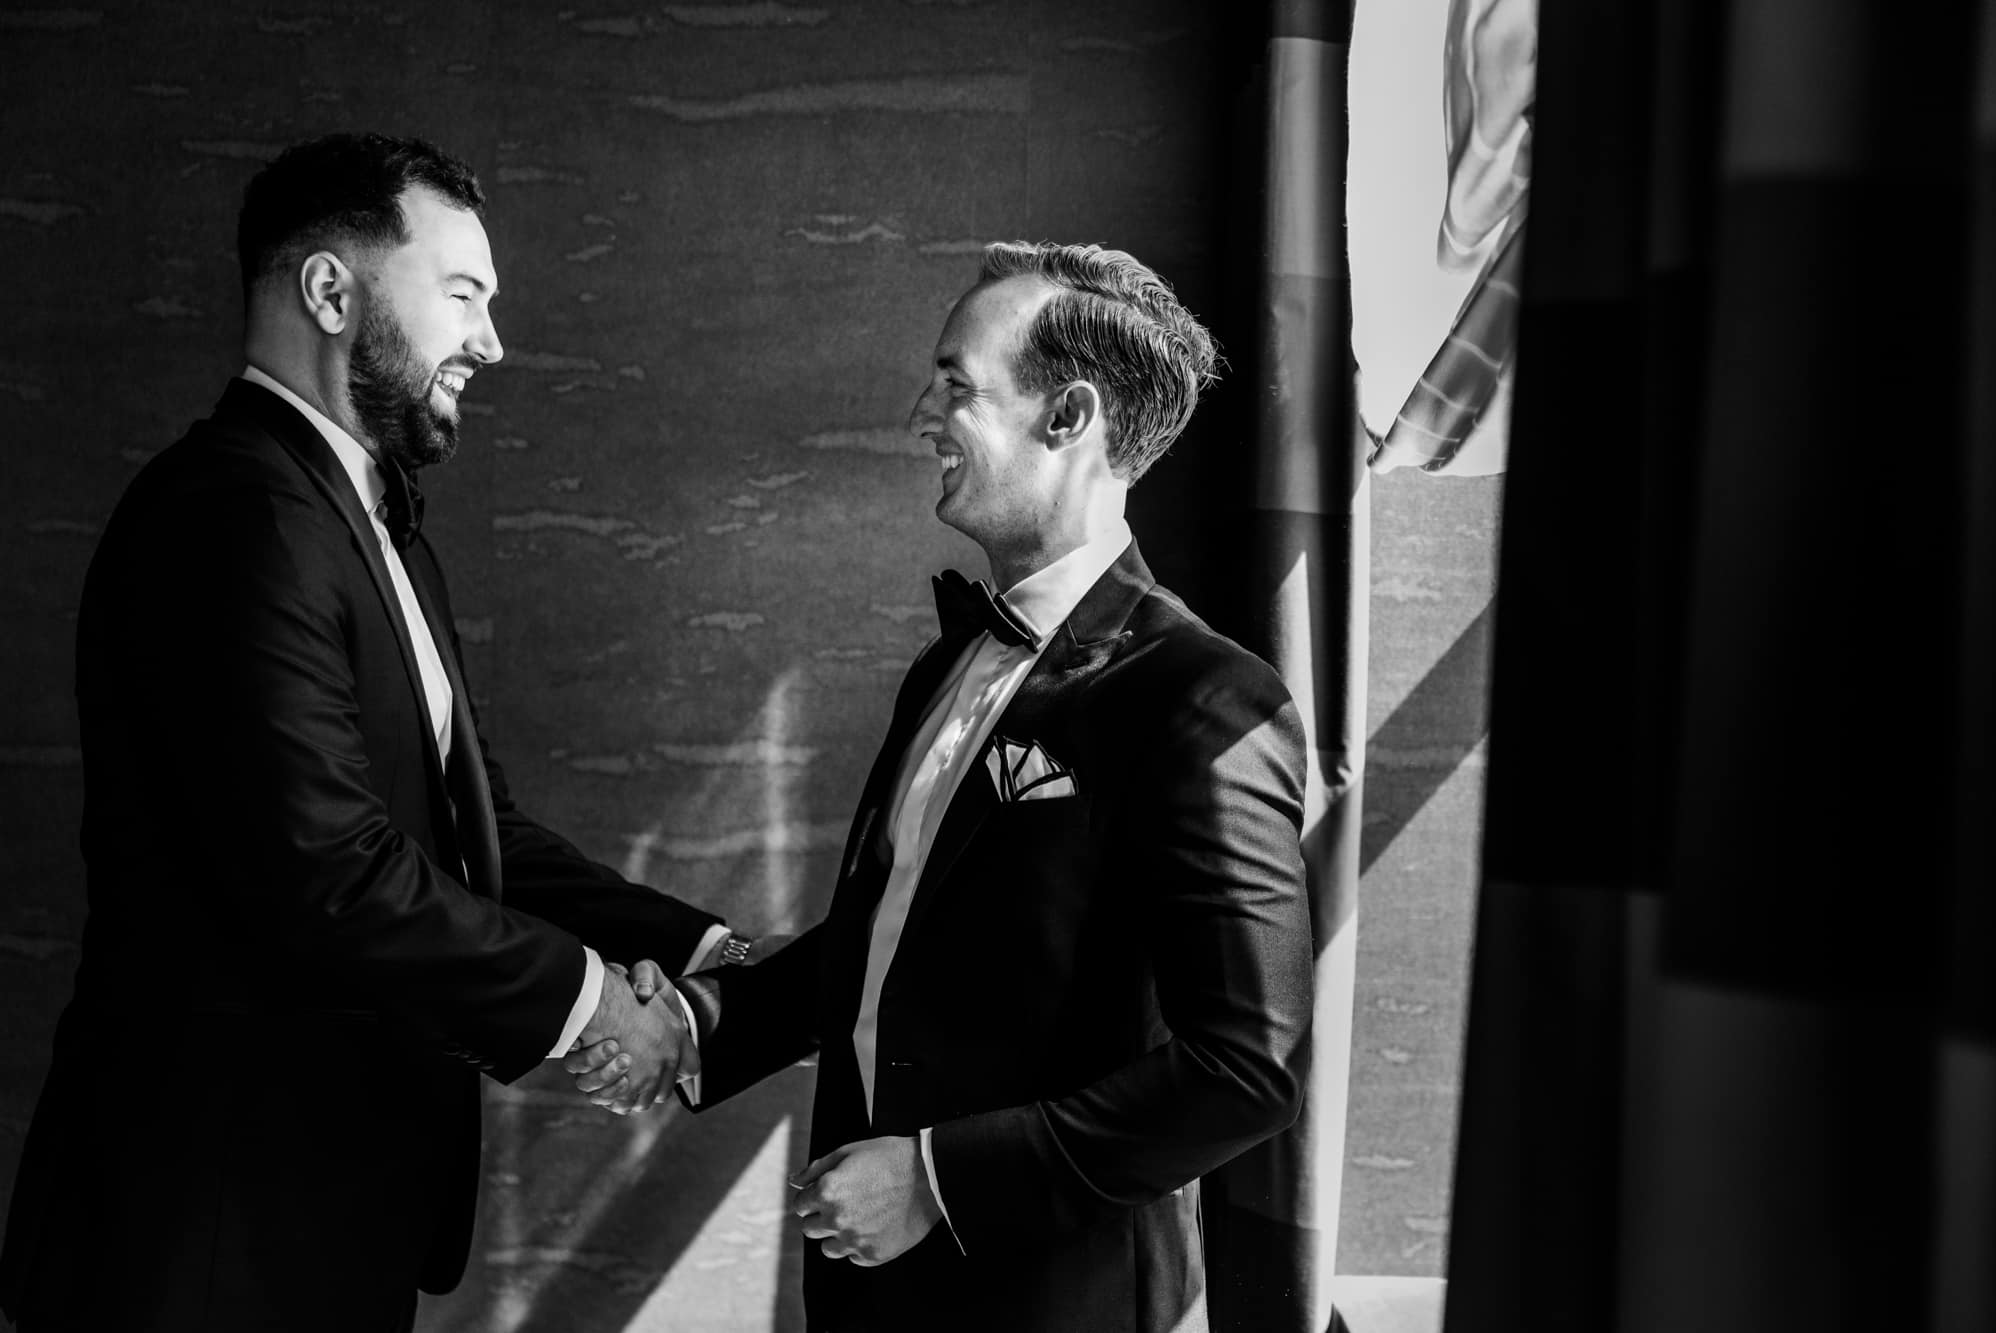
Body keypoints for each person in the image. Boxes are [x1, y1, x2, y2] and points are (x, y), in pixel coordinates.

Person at [0, 132, 758, 1333]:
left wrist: (706, 950)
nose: (491, 342)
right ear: (331, 290)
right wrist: (590, 1006)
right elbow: (330, 870)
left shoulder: (372, 524)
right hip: (205, 1241)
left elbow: (474, 831)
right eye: (462, 294)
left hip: (322, 1218)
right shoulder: (232, 513)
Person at [573, 242, 1315, 1331]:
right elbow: (889, 940)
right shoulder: (947, 666)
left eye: (956, 383)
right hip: (867, 1293)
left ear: (1067, 417)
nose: (922, 411)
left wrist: (940, 1178)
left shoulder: (1203, 697)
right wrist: (695, 1020)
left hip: (1057, 1299)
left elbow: (1245, 1065)